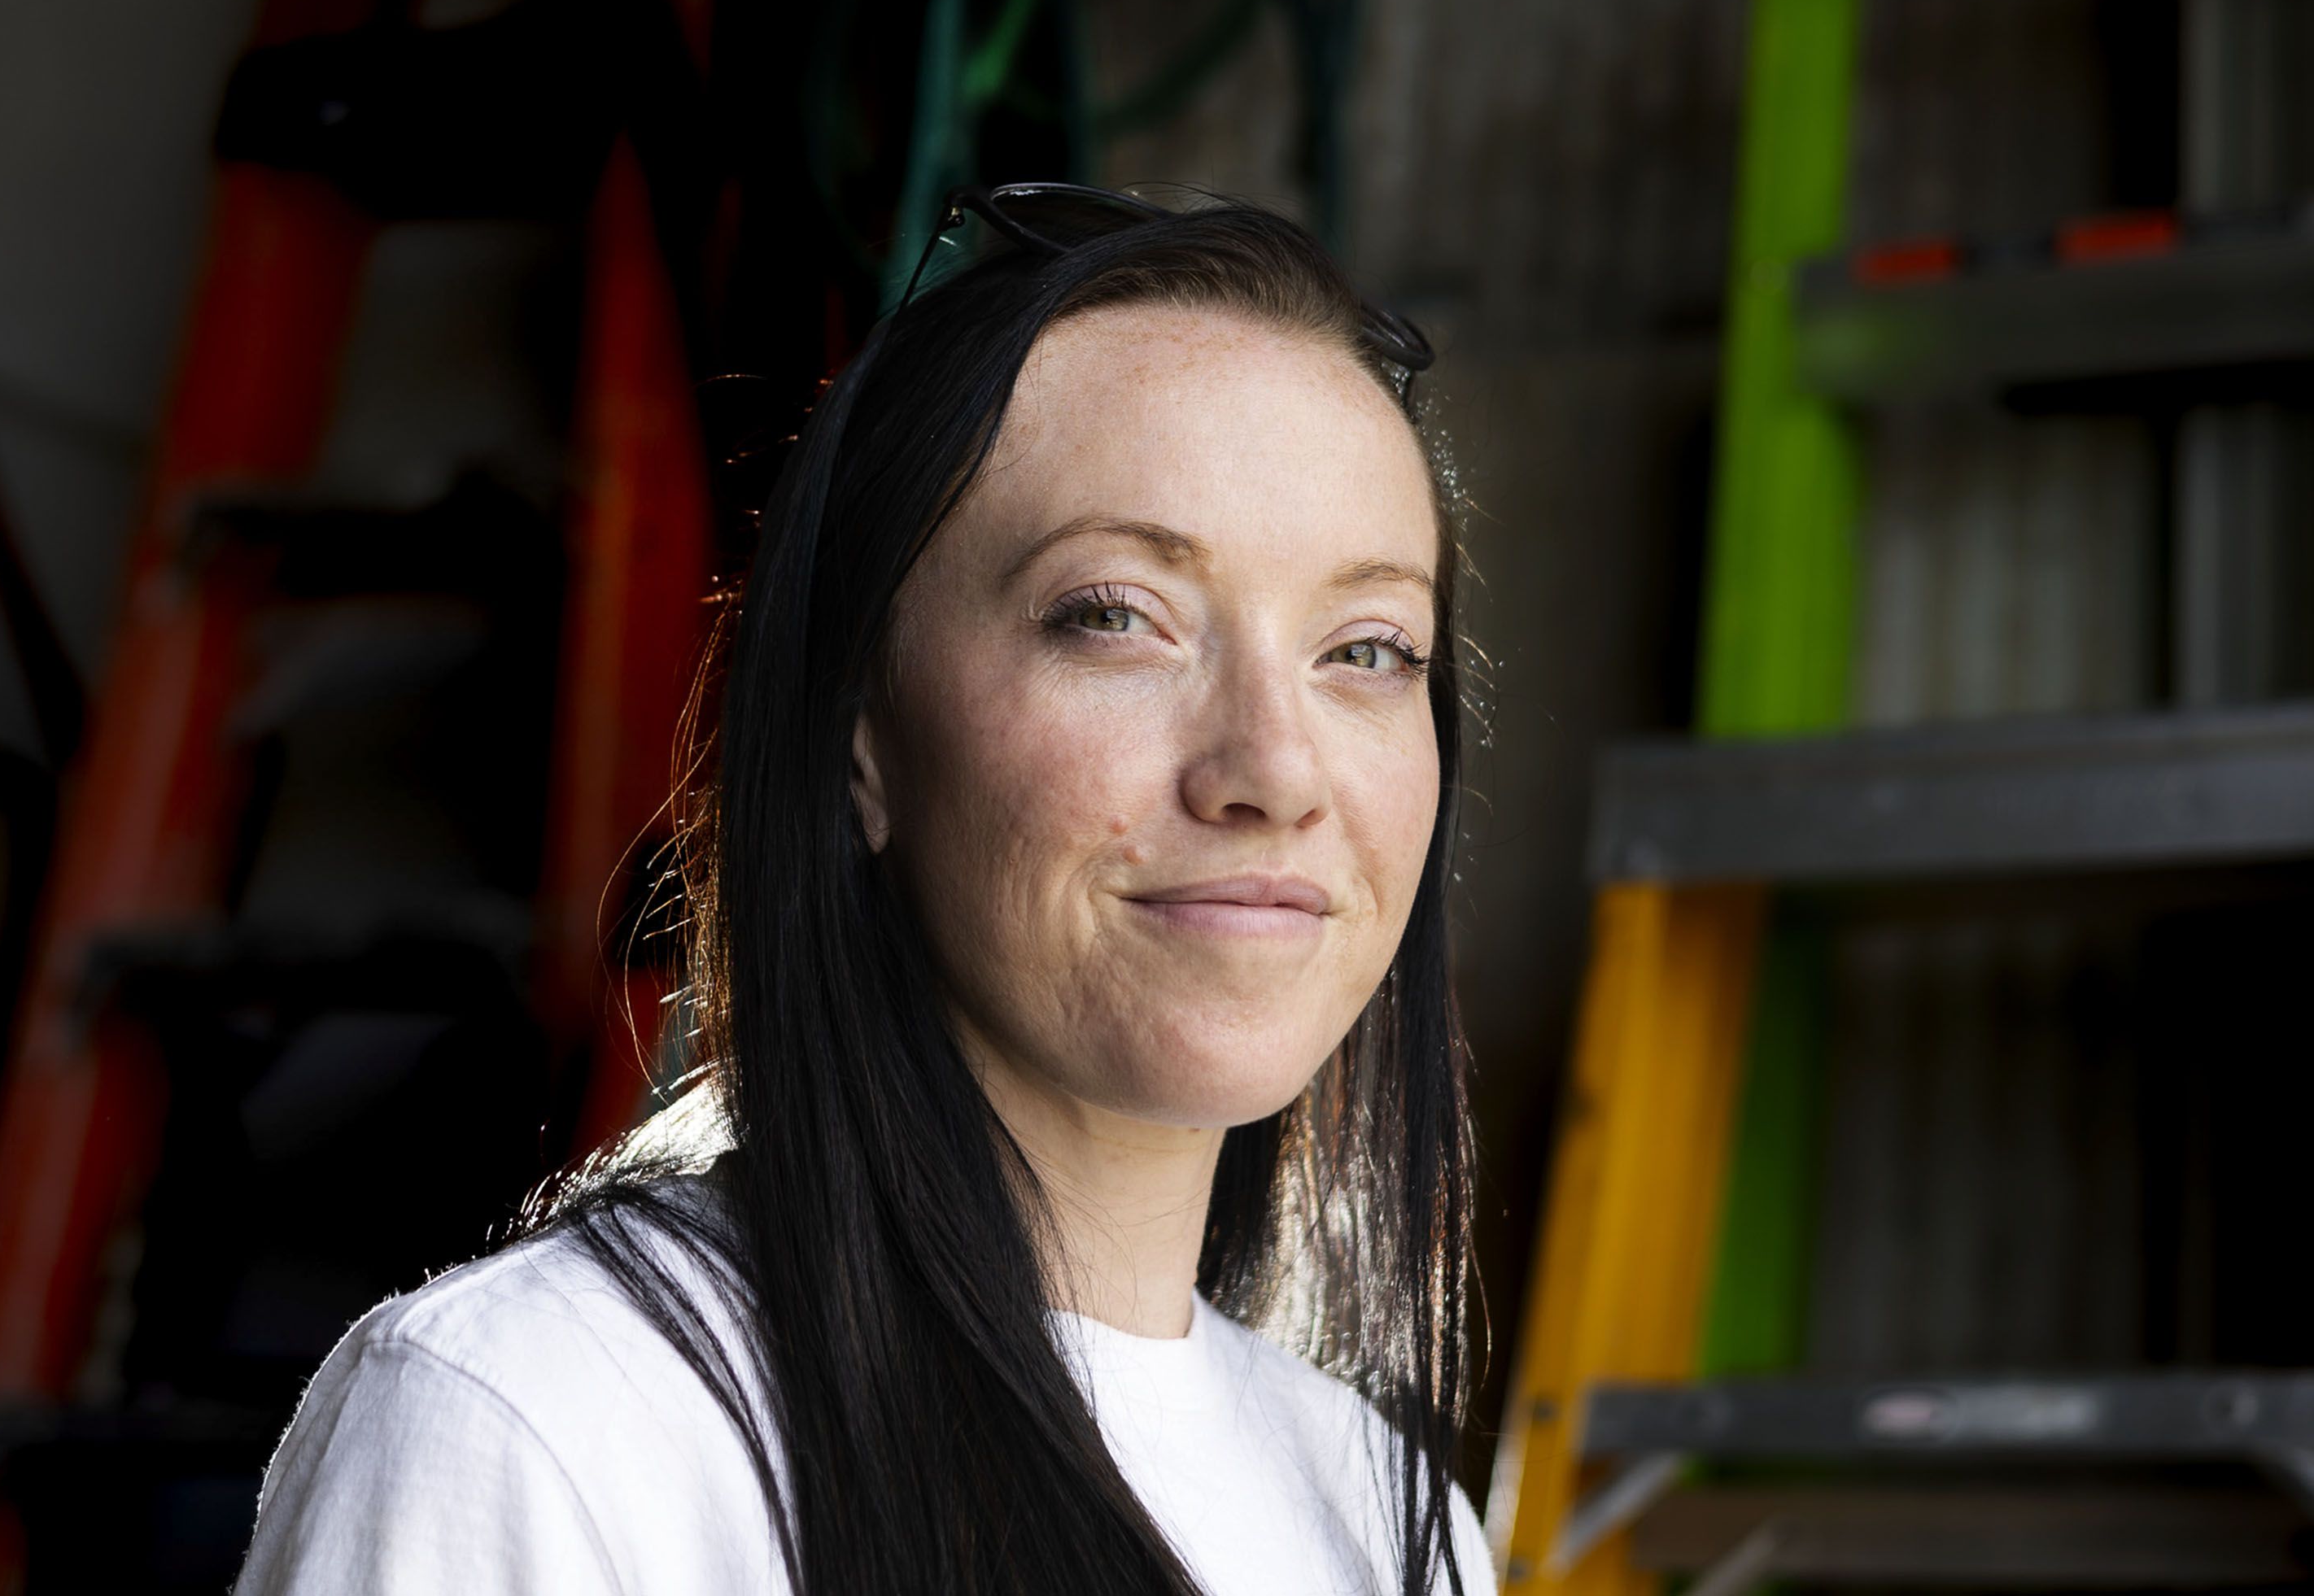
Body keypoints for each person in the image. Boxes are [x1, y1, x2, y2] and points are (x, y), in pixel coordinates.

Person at [234, 185, 1491, 1596]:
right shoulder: (546, 1424)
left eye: (1370, 648)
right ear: (863, 739)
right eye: (1113, 616)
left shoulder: (1389, 1517)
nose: (1273, 767)